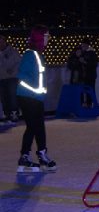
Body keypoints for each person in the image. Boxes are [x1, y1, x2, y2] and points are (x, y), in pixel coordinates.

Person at [16, 25, 57, 173]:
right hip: (28, 98)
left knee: (38, 127)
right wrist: (35, 91)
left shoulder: (38, 55)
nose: (48, 39)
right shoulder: (30, 55)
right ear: (39, 38)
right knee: (34, 126)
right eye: (46, 36)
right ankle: (26, 156)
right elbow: (21, 78)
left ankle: (40, 154)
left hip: (35, 98)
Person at [67, 38, 99, 108]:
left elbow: (94, 64)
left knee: (89, 91)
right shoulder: (77, 52)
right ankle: (79, 106)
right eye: (82, 45)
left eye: (85, 45)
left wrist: (85, 62)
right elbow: (70, 64)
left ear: (88, 45)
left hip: (89, 77)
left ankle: (89, 105)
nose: (83, 47)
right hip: (79, 77)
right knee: (79, 92)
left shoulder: (91, 53)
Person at [0, 32, 21, 124]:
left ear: (4, 41)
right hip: (1, 78)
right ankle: (6, 114)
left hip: (11, 78)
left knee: (12, 97)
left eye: (1, 41)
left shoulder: (13, 52)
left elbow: (19, 63)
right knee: (3, 98)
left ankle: (14, 115)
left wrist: (12, 70)